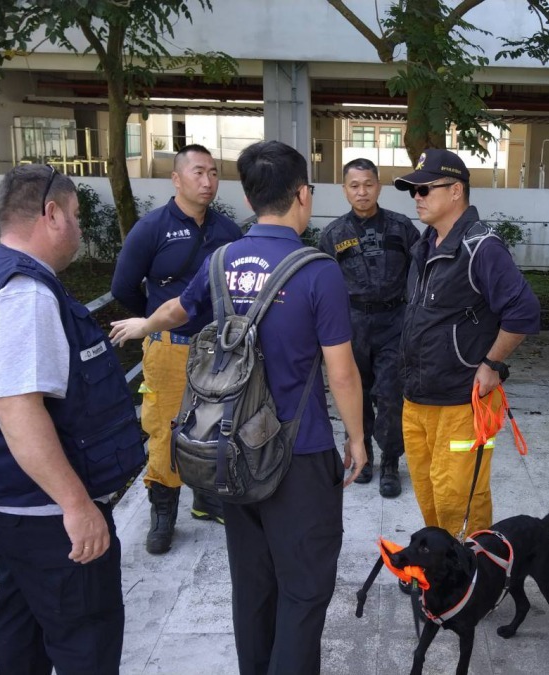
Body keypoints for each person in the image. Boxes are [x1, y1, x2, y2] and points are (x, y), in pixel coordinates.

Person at [109, 140, 366, 674]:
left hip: (231, 449)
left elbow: (180, 309)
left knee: (252, 585)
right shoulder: (317, 271)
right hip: (300, 452)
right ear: (302, 195)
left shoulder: (221, 259)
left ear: (250, 197)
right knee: (305, 587)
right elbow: (341, 371)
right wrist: (359, 439)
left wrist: (144, 324)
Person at [0, 164, 146, 673]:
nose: (79, 228)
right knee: (85, 644)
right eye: (75, 215)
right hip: (49, 516)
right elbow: (17, 410)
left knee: (21, 632)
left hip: (12, 507)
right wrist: (76, 507)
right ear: (51, 214)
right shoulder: (24, 294)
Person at [393, 148, 540, 538]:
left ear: (456, 190)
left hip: (462, 400)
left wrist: (492, 364)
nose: (417, 197)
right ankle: (440, 566)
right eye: (413, 191)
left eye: (425, 189)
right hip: (417, 397)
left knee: (460, 496)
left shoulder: (481, 247)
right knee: (427, 489)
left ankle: (473, 573)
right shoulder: (424, 246)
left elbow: (524, 312)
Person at [111, 143, 243, 554]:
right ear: (177, 178)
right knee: (165, 427)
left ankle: (206, 498)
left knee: (215, 425)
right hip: (169, 347)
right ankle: (163, 509)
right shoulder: (151, 228)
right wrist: (154, 323)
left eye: (214, 173)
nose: (208, 182)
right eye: (198, 172)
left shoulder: (226, 230)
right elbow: (123, 287)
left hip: (217, 350)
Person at [318, 158, 420, 498]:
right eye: (354, 185)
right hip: (351, 324)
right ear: (345, 189)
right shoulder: (332, 235)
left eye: (368, 184)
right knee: (354, 393)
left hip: (394, 322)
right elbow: (323, 286)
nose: (362, 192)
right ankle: (365, 456)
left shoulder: (402, 227)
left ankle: (391, 461)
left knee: (391, 395)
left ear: (379, 186)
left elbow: (421, 272)